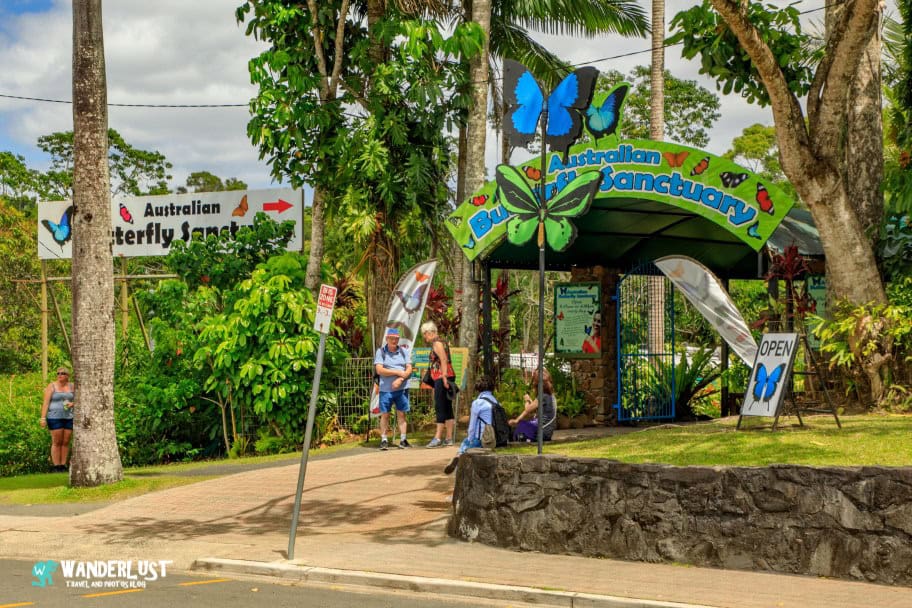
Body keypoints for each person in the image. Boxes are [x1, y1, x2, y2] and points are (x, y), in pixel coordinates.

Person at [443, 375, 496, 475]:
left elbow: (472, 426)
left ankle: (457, 457)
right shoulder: (495, 402)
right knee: (466, 444)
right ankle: (457, 458)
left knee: (466, 443)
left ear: (478, 388)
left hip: (481, 439)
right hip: (493, 438)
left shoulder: (478, 403)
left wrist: (470, 439)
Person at [374, 328, 413, 450]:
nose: (394, 340)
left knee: (402, 414)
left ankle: (403, 439)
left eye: (396, 338)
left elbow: (409, 369)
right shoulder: (381, 352)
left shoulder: (404, 351)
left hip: (402, 389)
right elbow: (379, 370)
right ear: (387, 339)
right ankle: (384, 439)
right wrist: (396, 372)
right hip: (386, 389)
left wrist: (400, 379)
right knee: (385, 414)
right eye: (391, 338)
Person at [421, 321, 456, 448]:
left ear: (430, 332)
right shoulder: (444, 342)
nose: (425, 337)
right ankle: (449, 437)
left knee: (440, 406)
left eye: (425, 334)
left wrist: (445, 377)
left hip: (441, 377)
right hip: (445, 376)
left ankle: (438, 437)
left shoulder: (437, 343)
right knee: (447, 407)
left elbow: (443, 360)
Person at [40, 367, 74, 472]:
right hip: (54, 417)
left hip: (69, 417)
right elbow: (46, 403)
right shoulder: (52, 386)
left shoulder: (73, 386)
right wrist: (42, 418)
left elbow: (81, 399)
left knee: (65, 441)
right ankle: (56, 466)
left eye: (63, 373)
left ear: (68, 376)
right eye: (58, 373)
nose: (60, 375)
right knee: (57, 441)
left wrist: (72, 404)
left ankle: (63, 465)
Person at [510, 368, 557, 442]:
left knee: (516, 430)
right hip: (546, 432)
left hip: (541, 433)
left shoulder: (543, 396)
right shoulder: (550, 395)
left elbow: (528, 409)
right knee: (520, 426)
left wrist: (526, 400)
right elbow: (534, 407)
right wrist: (529, 400)